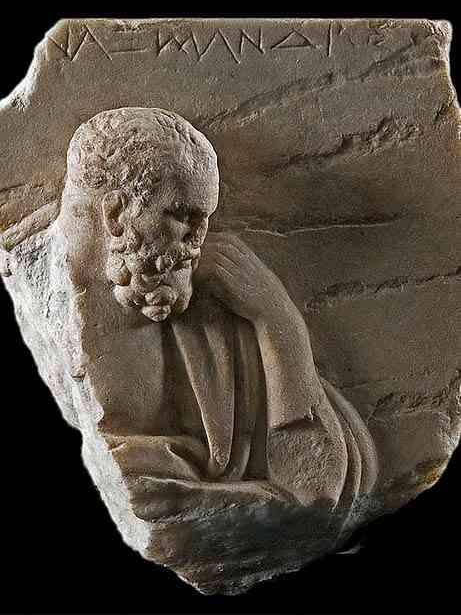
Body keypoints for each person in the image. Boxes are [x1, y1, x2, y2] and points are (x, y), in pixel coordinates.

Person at [55, 106, 377, 524]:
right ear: (116, 215)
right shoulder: (35, 280)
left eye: (204, 220)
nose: (197, 241)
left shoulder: (214, 308)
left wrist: (279, 320)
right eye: (182, 215)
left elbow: (316, 488)